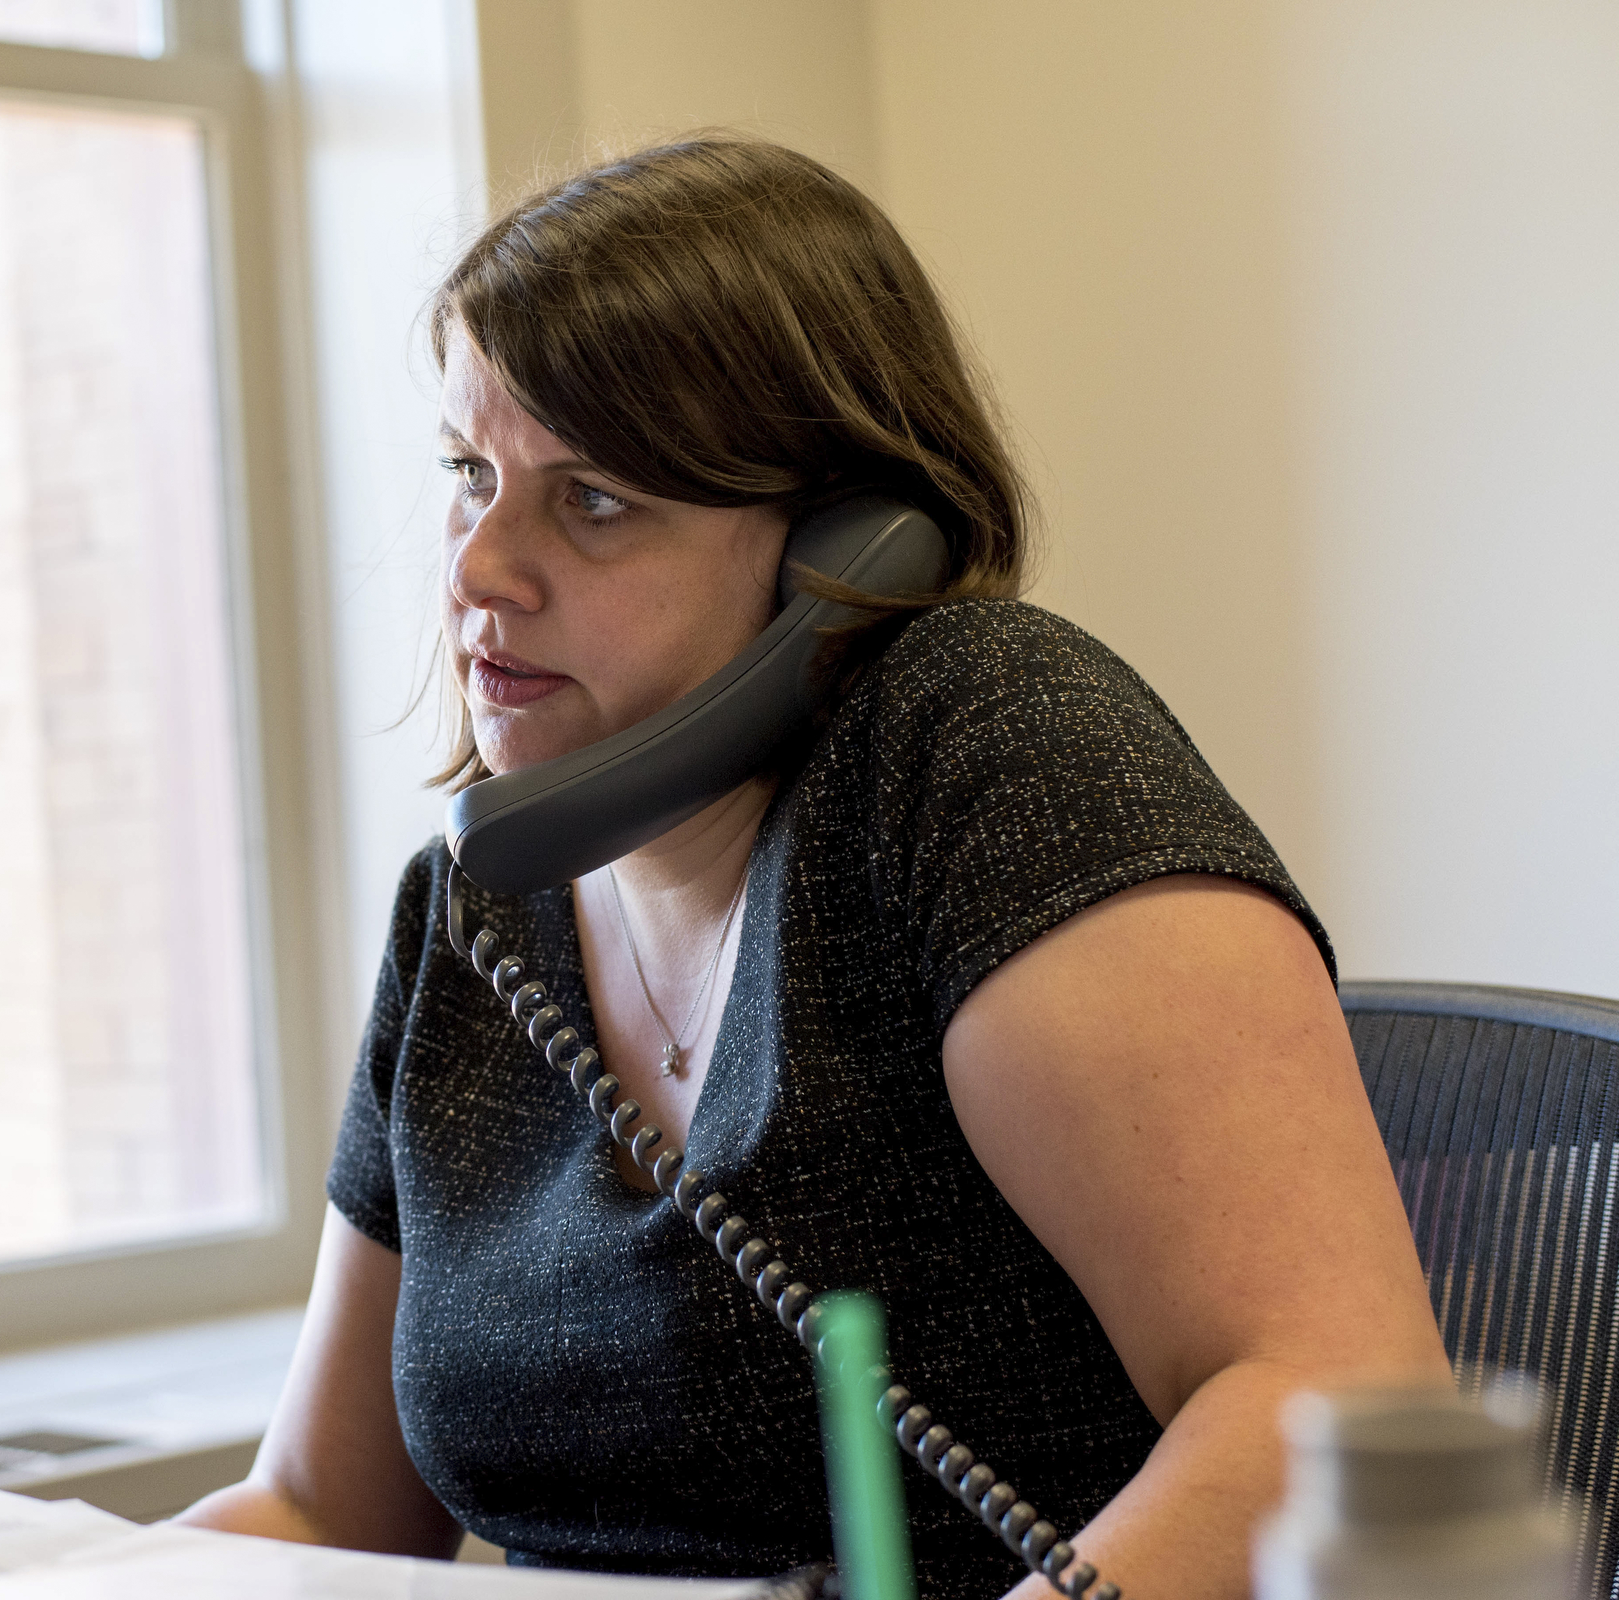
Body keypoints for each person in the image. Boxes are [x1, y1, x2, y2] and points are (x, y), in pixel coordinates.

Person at [177, 137, 1448, 1598]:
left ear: (846, 544)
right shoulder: (476, 907)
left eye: (591, 498)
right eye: (473, 473)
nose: (476, 569)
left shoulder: (987, 750)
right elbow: (323, 1508)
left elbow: (1331, 1397)